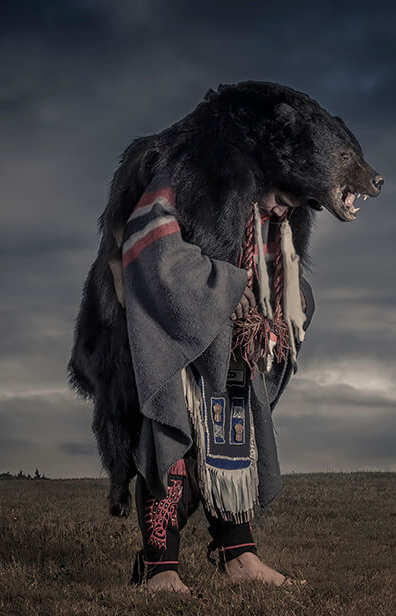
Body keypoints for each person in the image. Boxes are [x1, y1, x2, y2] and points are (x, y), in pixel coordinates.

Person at [123, 185, 313, 593]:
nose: (283, 210)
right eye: (281, 196)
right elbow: (153, 245)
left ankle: (239, 555)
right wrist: (225, 286)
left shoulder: (277, 220)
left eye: (293, 206)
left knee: (234, 436)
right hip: (172, 334)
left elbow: (283, 281)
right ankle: (160, 569)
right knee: (170, 436)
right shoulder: (194, 178)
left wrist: (281, 307)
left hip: (232, 349)